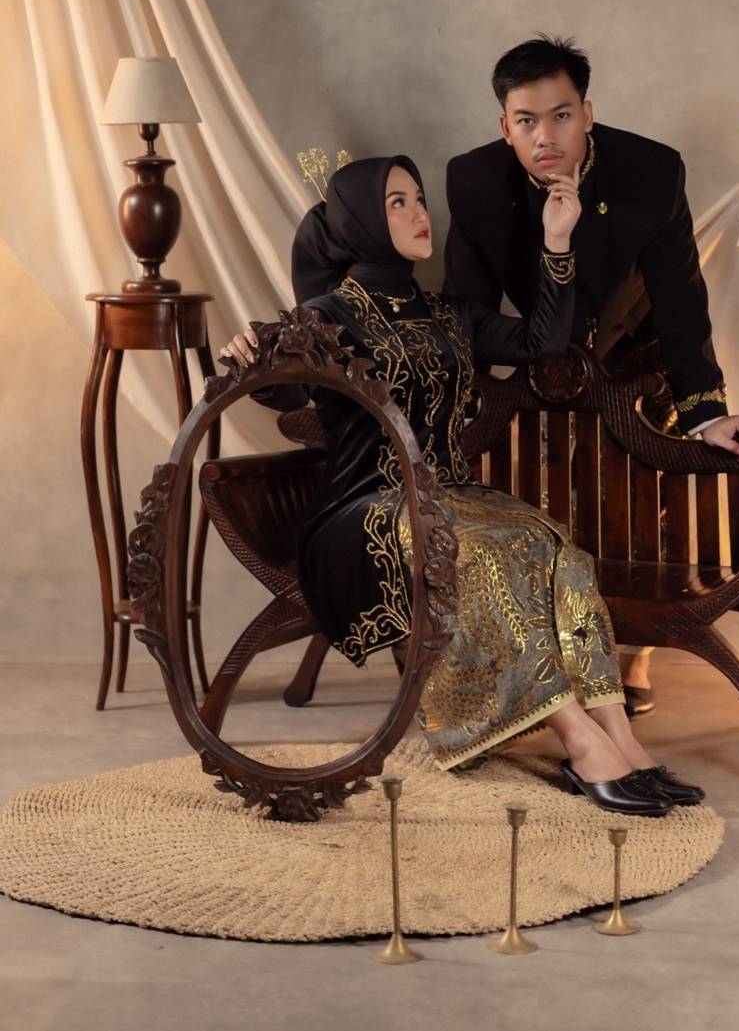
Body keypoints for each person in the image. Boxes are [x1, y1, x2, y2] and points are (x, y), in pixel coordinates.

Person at [221, 154, 704, 816]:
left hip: (447, 497)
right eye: (396, 202)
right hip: (365, 512)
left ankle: (620, 735)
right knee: (481, 553)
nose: (420, 213)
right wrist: (253, 352)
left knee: (557, 547)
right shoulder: (325, 318)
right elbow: (281, 390)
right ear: (360, 221)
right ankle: (580, 741)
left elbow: (542, 342)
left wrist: (557, 240)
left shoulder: (449, 313)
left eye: (419, 198)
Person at [444, 36, 739, 714]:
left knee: (646, 484)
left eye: (561, 116)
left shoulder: (650, 172)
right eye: (527, 121)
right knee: (547, 492)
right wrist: (462, 413)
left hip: (638, 345)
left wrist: (707, 412)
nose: (546, 137)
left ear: (588, 114)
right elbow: (466, 314)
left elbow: (682, 298)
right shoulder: (475, 181)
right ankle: (559, 652)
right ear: (504, 126)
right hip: (547, 349)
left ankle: (636, 651)